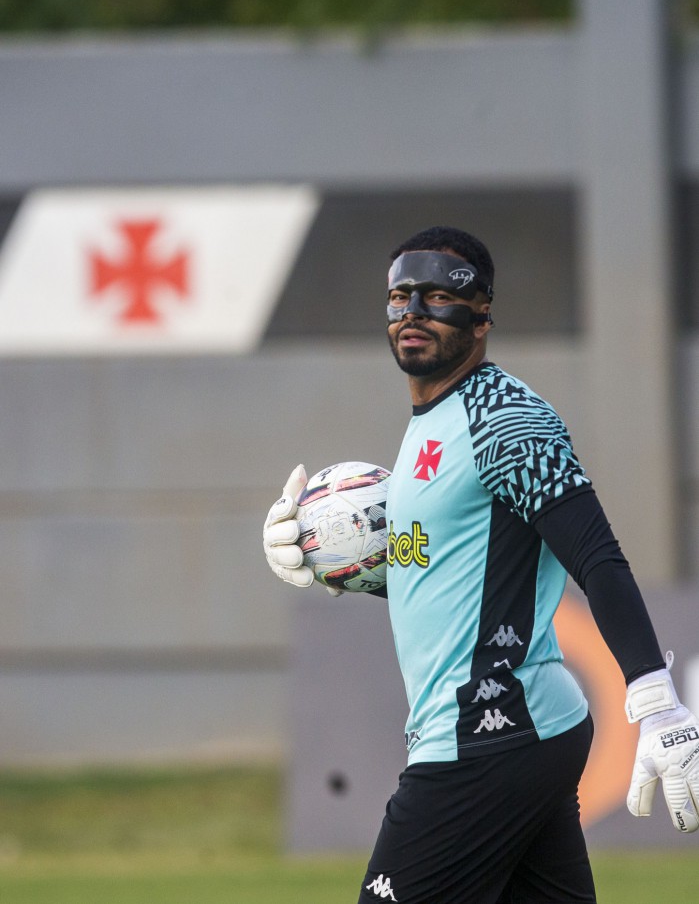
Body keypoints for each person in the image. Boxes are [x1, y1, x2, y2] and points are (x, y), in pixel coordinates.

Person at [262, 226, 699, 903]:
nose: (412, 312)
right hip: (520, 731)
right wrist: (335, 566)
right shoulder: (426, 425)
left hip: (486, 734)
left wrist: (655, 700)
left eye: (437, 296)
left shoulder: (506, 419)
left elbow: (596, 555)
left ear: (482, 314)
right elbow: (449, 576)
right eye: (399, 297)